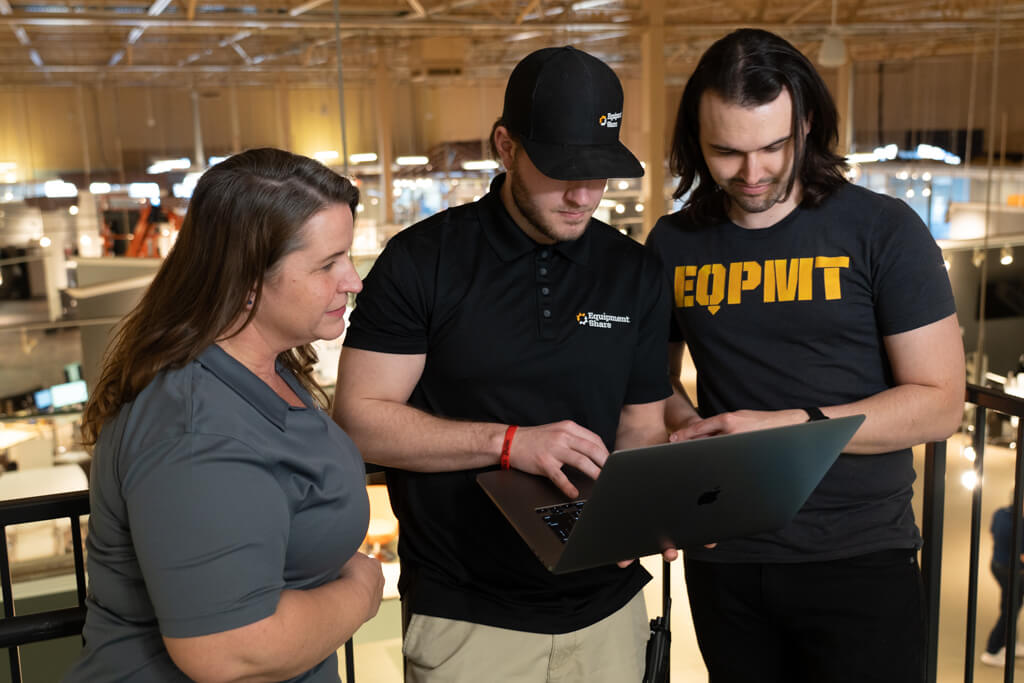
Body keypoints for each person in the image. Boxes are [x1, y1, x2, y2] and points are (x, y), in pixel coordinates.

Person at [333, 46, 672, 682]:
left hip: (608, 612)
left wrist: (651, 509)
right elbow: (359, 421)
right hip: (468, 619)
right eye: (561, 170)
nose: (582, 195)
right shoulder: (423, 260)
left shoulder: (636, 273)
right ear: (507, 148)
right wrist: (511, 444)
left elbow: (641, 428)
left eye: (599, 173)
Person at [645, 28, 965, 683]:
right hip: (725, 555)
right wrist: (691, 432)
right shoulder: (674, 242)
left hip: (858, 555)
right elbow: (654, 378)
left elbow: (939, 404)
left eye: (773, 147)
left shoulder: (881, 228)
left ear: (808, 123)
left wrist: (789, 427)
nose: (752, 173)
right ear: (696, 140)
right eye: (726, 151)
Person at [64, 148, 384, 682]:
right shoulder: (195, 432)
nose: (352, 281)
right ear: (248, 280)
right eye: (328, 264)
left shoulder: (261, 372)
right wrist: (360, 590)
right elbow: (230, 650)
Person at [981, 502, 1024, 667]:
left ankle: (1011, 643)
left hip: (997, 565)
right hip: (1011, 572)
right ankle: (992, 650)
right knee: (1010, 609)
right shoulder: (1020, 525)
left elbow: (992, 532)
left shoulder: (1000, 512)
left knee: (1013, 605)